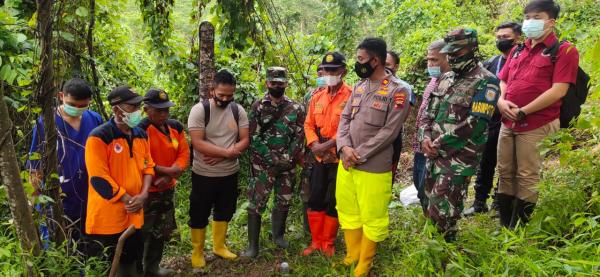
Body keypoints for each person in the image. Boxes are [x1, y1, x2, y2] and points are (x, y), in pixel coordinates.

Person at [496, 0, 579, 228]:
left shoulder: (564, 51)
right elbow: (503, 79)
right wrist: (501, 102)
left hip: (536, 122)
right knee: (504, 171)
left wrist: (523, 111)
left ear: (551, 22)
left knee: (527, 174)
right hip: (508, 121)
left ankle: (519, 228)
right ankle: (505, 224)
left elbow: (558, 90)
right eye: (527, 17)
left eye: (537, 17)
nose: (530, 22)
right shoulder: (517, 49)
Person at [336, 38, 411, 276]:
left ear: (375, 60)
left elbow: (390, 131)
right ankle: (352, 254)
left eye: (360, 59)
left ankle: (365, 264)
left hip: (373, 166)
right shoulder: (359, 86)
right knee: (348, 209)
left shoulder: (398, 90)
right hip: (347, 163)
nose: (357, 64)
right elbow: (344, 119)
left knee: (373, 215)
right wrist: (344, 148)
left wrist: (359, 153)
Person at [418, 28, 499, 241]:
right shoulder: (446, 78)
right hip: (433, 154)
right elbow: (428, 113)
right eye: (449, 52)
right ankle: (432, 254)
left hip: (458, 158)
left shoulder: (486, 81)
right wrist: (424, 138)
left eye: (457, 52)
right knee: (428, 205)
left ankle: (446, 258)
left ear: (472, 48)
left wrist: (438, 143)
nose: (452, 57)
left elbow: (477, 123)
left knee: (444, 211)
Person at [85, 86, 155, 276]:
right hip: (107, 218)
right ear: (116, 109)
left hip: (135, 214)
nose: (137, 111)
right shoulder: (99, 137)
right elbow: (99, 179)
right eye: (132, 107)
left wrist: (143, 195)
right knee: (107, 265)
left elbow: (148, 167)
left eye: (138, 106)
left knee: (132, 261)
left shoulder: (141, 135)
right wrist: (128, 200)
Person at [26, 78, 103, 243]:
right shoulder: (46, 123)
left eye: (82, 105)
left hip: (89, 196)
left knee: (88, 246)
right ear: (61, 96)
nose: (77, 109)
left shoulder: (94, 119)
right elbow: (35, 166)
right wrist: (35, 198)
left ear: (89, 101)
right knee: (58, 245)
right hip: (58, 199)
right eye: (72, 104)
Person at [187, 70, 250, 268]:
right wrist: (226, 153)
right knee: (199, 211)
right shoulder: (200, 110)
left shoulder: (237, 110)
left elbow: (245, 139)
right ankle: (197, 251)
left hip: (229, 173)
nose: (225, 98)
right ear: (212, 89)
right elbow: (197, 143)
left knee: (225, 209)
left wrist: (229, 153)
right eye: (221, 94)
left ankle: (219, 246)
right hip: (204, 173)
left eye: (229, 95)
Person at [242, 67, 305, 258]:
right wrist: (271, 159)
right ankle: (253, 247)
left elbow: (300, 136)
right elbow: (253, 136)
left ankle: (278, 237)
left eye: (280, 82)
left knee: (283, 200)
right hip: (263, 165)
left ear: (286, 83)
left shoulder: (296, 108)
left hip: (287, 165)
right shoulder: (257, 106)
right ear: (267, 83)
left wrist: (286, 159)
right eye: (273, 82)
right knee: (256, 203)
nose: (276, 86)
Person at [464, 22, 522, 216]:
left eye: (506, 37)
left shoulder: (522, 61)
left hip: (514, 119)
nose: (501, 41)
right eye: (498, 37)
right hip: (490, 121)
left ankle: (500, 201)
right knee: (486, 161)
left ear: (518, 38)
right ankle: (480, 202)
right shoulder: (492, 62)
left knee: (508, 163)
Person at [302, 52, 351, 257]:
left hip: (339, 158)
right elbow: (308, 124)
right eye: (326, 70)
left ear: (343, 71)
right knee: (315, 198)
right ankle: (316, 241)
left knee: (333, 201)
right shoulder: (317, 97)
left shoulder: (352, 96)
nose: (329, 74)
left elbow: (351, 128)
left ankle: (328, 243)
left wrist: (329, 146)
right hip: (319, 158)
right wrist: (314, 144)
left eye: (333, 70)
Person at [138, 88, 190, 276]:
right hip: (147, 190)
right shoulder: (140, 130)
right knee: (143, 232)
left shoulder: (175, 127)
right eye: (158, 110)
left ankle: (153, 267)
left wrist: (171, 175)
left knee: (161, 230)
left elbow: (184, 153)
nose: (163, 114)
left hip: (167, 188)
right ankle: (138, 270)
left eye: (166, 110)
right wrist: (163, 171)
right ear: (146, 109)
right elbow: (142, 159)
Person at [412, 39, 450, 214]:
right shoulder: (433, 81)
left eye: (435, 60)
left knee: (428, 188)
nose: (430, 64)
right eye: (429, 59)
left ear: (448, 58)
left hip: (435, 146)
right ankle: (426, 217)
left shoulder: (451, 83)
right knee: (419, 185)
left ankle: (433, 222)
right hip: (421, 144)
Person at [300, 65, 325, 235]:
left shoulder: (346, 94)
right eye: (319, 72)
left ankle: (326, 231)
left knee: (327, 191)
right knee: (307, 189)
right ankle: (308, 229)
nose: (322, 75)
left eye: (325, 71)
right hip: (310, 151)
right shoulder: (311, 95)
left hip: (331, 152)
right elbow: (303, 123)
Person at [385, 51, 416, 180]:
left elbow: (402, 117)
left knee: (387, 174)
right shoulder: (368, 85)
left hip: (391, 138)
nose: (384, 67)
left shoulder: (403, 88)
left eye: (387, 64)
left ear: (396, 66)